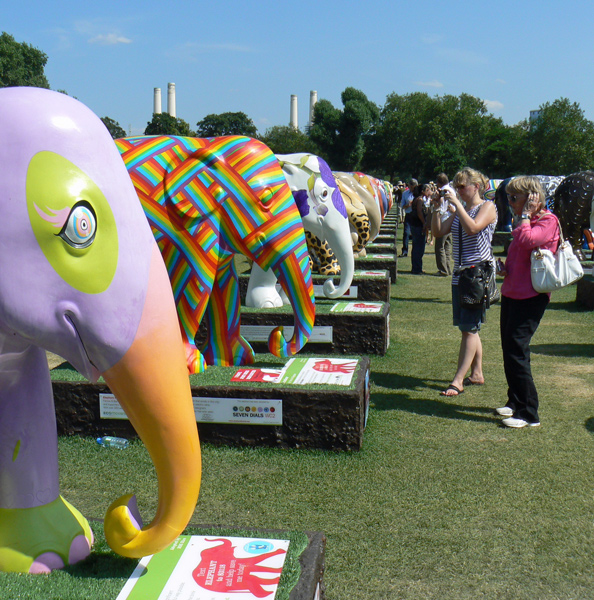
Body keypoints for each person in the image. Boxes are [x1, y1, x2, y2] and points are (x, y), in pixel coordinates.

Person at [496, 176, 560, 428]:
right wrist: (505, 269)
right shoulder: (527, 221)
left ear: (531, 197)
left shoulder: (548, 221)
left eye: (514, 197)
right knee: (509, 349)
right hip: (512, 292)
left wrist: (524, 217)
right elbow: (517, 254)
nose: (510, 202)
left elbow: (527, 241)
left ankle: (528, 413)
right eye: (508, 197)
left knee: (517, 350)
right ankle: (514, 401)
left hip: (531, 296)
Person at [430, 167, 497, 397]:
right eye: (456, 187)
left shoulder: (487, 207)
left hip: (477, 275)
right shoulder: (461, 209)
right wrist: (437, 207)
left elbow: (473, 228)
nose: (458, 190)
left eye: (462, 186)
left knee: (469, 328)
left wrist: (456, 206)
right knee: (467, 327)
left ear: (476, 186)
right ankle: (476, 373)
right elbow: (438, 231)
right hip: (461, 275)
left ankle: (458, 380)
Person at [433, 173, 453, 275]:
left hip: (444, 220)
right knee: (447, 246)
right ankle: (448, 268)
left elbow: (441, 205)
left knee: (439, 246)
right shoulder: (451, 190)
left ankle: (442, 270)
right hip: (451, 220)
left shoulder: (443, 191)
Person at [409, 184, 428, 274]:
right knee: (419, 248)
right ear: (422, 191)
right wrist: (424, 222)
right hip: (418, 225)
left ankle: (417, 267)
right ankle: (417, 268)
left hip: (414, 225)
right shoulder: (420, 200)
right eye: (427, 190)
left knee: (416, 247)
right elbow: (419, 212)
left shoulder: (415, 199)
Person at [399, 179, 418, 257]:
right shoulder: (405, 193)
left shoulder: (418, 194)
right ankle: (405, 251)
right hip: (409, 215)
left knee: (415, 234)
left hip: (416, 216)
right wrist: (408, 205)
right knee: (406, 233)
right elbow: (402, 206)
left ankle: (415, 251)